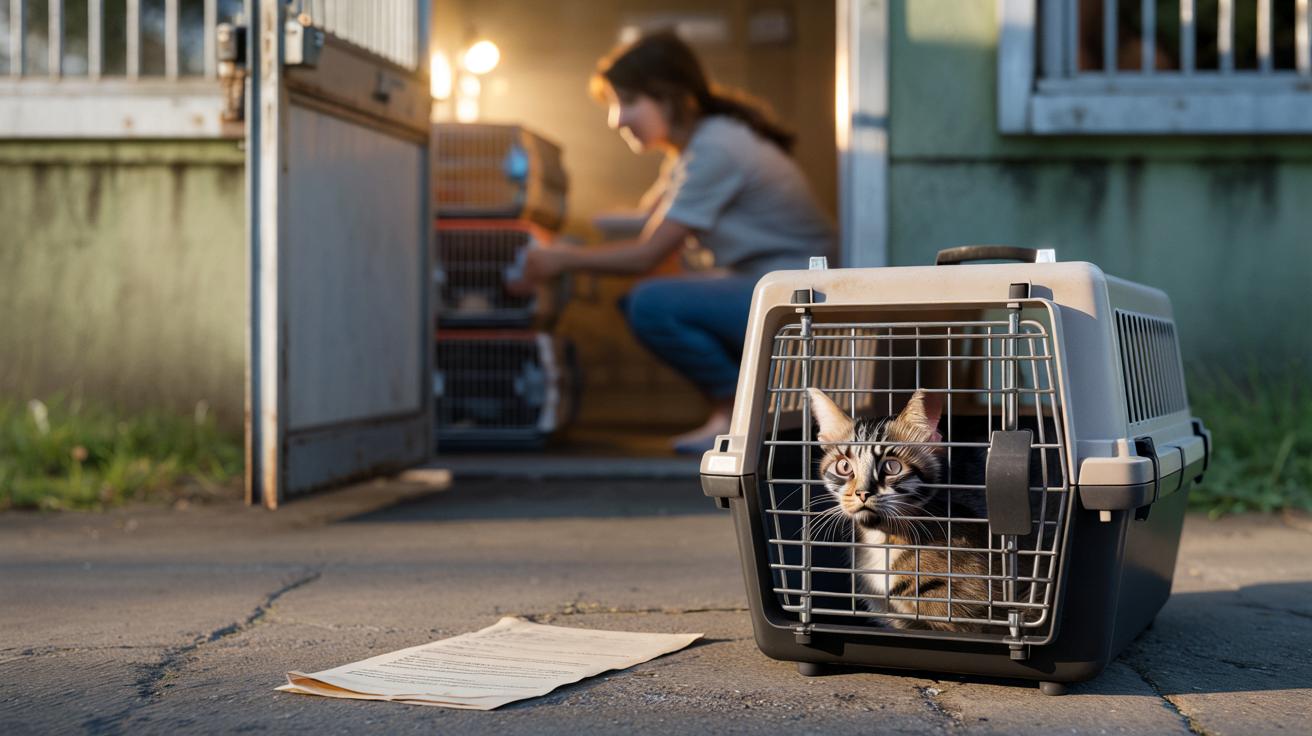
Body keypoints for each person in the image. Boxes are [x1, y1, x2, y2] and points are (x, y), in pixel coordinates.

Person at [512, 31, 834, 454]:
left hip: (800, 297)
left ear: (668, 96)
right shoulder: (695, 149)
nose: (616, 119)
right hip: (770, 284)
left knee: (652, 304)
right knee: (647, 299)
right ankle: (748, 412)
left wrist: (561, 258)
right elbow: (650, 220)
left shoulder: (715, 148)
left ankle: (738, 414)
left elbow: (648, 250)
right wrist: (568, 230)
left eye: (626, 102)